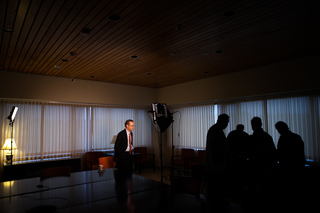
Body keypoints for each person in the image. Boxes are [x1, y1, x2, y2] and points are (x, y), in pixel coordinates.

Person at [203, 113, 230, 212]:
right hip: (214, 163)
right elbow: (212, 148)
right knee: (214, 185)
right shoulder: (215, 131)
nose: (227, 125)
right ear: (223, 121)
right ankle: (213, 205)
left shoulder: (216, 129)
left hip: (216, 162)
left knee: (215, 184)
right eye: (227, 122)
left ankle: (213, 203)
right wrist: (215, 164)